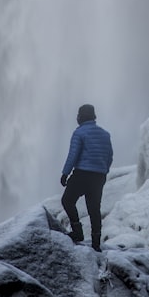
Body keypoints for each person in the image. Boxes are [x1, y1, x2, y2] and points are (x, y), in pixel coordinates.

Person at [60, 103, 113, 252]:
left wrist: (65, 173)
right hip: (99, 176)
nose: (77, 117)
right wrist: (104, 170)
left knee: (67, 200)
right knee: (94, 208)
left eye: (78, 115)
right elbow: (109, 156)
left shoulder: (79, 133)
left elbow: (73, 155)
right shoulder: (105, 134)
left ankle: (77, 232)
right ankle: (96, 243)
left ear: (81, 117)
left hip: (82, 174)